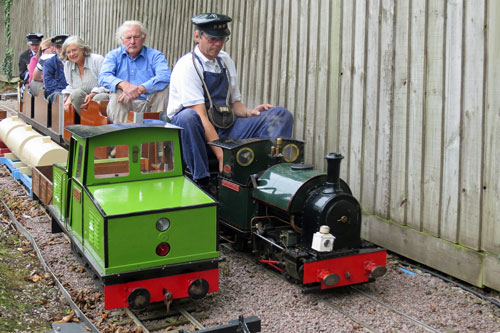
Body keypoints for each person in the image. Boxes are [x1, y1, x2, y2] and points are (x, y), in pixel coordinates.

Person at [166, 13, 293, 184]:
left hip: (224, 125)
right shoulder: (187, 66)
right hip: (194, 129)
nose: (218, 44)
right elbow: (201, 116)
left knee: (280, 114)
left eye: (222, 39)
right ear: (197, 36)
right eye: (212, 39)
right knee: (189, 117)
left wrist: (250, 112)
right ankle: (201, 181)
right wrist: (222, 156)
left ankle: (266, 172)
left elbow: (235, 104)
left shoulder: (225, 60)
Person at [98, 20, 171, 123]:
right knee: (117, 91)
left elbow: (165, 76)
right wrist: (124, 85)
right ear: (122, 40)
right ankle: (123, 135)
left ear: (143, 37)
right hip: (123, 104)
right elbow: (103, 77)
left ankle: (158, 135)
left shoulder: (155, 56)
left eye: (136, 37)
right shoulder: (113, 55)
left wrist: (141, 89)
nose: (132, 42)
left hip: (149, 103)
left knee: (164, 88)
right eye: (128, 38)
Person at [60, 36, 109, 121]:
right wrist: (68, 99)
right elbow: (71, 86)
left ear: (82, 49)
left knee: (99, 98)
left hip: (100, 95)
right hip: (83, 100)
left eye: (74, 50)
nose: (72, 54)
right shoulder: (68, 65)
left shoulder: (97, 60)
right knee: (75, 94)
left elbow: (108, 84)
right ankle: (87, 122)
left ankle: (101, 126)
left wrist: (93, 93)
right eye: (68, 52)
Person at [43, 34, 70, 102]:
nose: (60, 49)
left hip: (72, 92)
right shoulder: (49, 63)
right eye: (58, 47)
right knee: (59, 96)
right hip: (55, 93)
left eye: (62, 47)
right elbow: (48, 83)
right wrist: (64, 90)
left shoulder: (75, 61)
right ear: (54, 48)